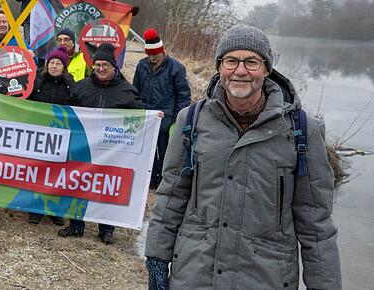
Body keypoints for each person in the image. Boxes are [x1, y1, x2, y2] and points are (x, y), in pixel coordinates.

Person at [145, 25, 341, 290]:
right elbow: (171, 196)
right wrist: (157, 256)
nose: (240, 71)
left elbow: (316, 224)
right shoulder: (190, 121)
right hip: (194, 274)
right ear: (219, 67)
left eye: (251, 61)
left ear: (266, 68)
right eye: (231, 61)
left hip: (266, 278)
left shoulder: (303, 130)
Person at [58, 43, 143, 244]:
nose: (101, 68)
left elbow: (139, 118)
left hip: (112, 150)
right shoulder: (82, 87)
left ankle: (106, 229)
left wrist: (153, 118)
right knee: (79, 183)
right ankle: (76, 225)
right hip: (84, 146)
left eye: (105, 64)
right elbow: (68, 111)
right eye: (97, 65)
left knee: (107, 188)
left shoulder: (128, 92)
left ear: (115, 67)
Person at [132, 28, 191, 188]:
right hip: (146, 118)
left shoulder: (176, 68)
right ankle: (149, 178)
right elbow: (135, 90)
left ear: (162, 51)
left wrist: (177, 119)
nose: (152, 58)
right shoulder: (141, 66)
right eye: (149, 55)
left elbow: (183, 95)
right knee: (146, 150)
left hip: (166, 118)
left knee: (165, 151)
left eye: (155, 55)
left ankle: (163, 179)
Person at [26, 45, 72, 226]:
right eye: (51, 62)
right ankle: (35, 209)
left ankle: (54, 210)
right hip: (39, 133)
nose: (54, 66)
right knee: (37, 171)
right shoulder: (37, 81)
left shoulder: (70, 85)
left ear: (64, 67)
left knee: (56, 173)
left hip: (59, 136)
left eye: (58, 63)